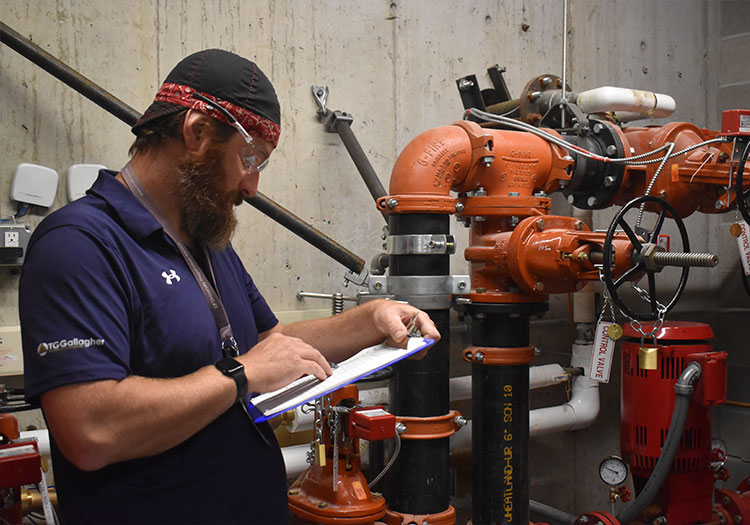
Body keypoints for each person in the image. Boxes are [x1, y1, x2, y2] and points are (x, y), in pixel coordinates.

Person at [19, 49, 439, 524]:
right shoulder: (79, 245)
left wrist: (370, 319)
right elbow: (91, 431)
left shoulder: (206, 238)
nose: (252, 186)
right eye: (250, 157)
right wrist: (239, 375)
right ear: (197, 132)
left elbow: (268, 344)